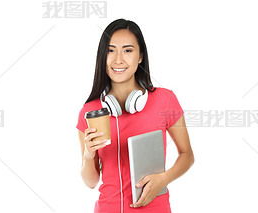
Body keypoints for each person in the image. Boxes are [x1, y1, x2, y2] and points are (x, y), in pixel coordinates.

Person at [76, 18, 195, 213]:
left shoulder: (165, 100)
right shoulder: (90, 111)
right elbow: (91, 182)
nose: (118, 60)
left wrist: (164, 178)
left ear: (140, 56)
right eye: (111, 50)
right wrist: (88, 156)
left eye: (128, 50)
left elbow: (187, 155)